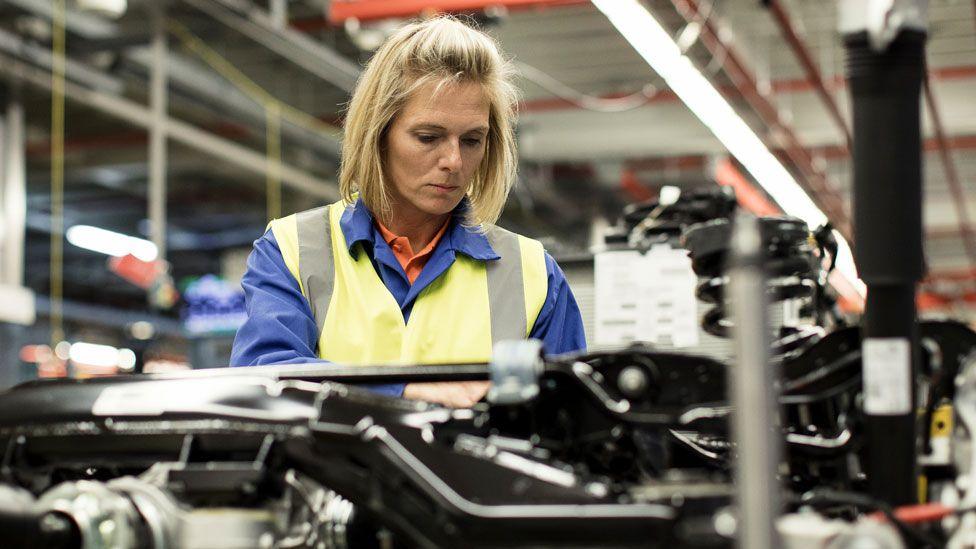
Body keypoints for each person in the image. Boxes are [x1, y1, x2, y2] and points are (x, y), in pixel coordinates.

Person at [230, 16, 585, 408]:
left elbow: (572, 420)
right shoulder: (291, 251)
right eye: (428, 137)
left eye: (472, 140)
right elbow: (264, 380)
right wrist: (407, 393)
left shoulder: (534, 275)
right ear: (377, 132)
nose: (453, 160)